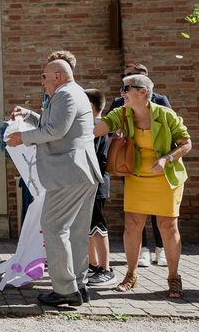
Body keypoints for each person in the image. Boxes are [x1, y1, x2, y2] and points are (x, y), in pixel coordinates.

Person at [7, 59, 103, 306]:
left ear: (57, 76)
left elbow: (55, 131)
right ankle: (78, 286)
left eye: (44, 76)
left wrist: (22, 138)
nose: (42, 81)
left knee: (53, 226)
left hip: (68, 173)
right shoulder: (73, 93)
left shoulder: (65, 95)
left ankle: (65, 290)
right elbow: (57, 125)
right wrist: (29, 115)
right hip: (81, 172)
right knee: (77, 232)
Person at [94, 73, 191, 298]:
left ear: (142, 91)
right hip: (137, 177)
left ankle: (174, 278)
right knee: (133, 224)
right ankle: (131, 275)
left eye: (126, 89)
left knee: (168, 226)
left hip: (165, 178)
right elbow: (97, 129)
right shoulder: (123, 114)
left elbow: (186, 144)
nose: (122, 93)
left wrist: (167, 159)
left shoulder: (166, 115)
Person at [107, 62, 171, 267]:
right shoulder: (119, 103)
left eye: (131, 79)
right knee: (136, 211)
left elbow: (170, 133)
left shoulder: (161, 101)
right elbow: (108, 128)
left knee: (159, 211)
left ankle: (160, 249)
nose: (124, 86)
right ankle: (142, 250)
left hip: (157, 166)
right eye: (124, 78)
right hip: (131, 163)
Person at [83, 89, 115, 287]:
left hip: (96, 182)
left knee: (98, 226)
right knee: (88, 226)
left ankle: (106, 268)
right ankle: (93, 265)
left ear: (90, 106)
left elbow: (94, 157)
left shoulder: (96, 127)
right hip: (89, 183)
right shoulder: (93, 126)